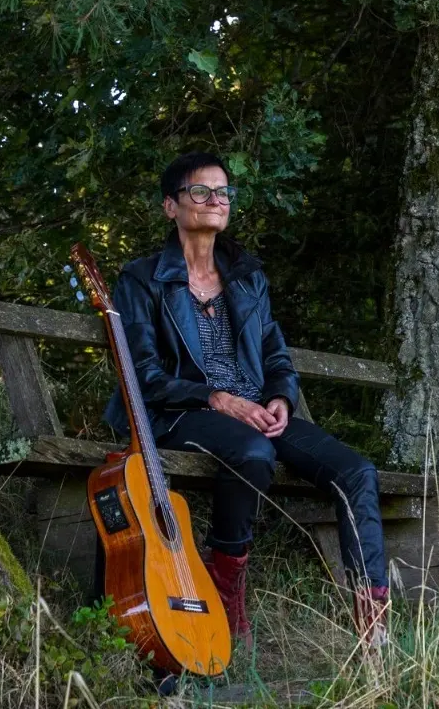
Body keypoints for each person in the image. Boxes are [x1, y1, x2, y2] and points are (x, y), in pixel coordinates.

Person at [103, 150, 389, 649]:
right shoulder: (142, 279)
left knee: (356, 472)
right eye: (200, 191)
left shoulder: (247, 276)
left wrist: (281, 397)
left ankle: (373, 624)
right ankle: (226, 585)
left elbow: (277, 357)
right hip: (180, 414)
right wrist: (215, 398)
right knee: (251, 453)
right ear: (171, 206)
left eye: (223, 192)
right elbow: (143, 374)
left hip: (256, 411)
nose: (215, 200)